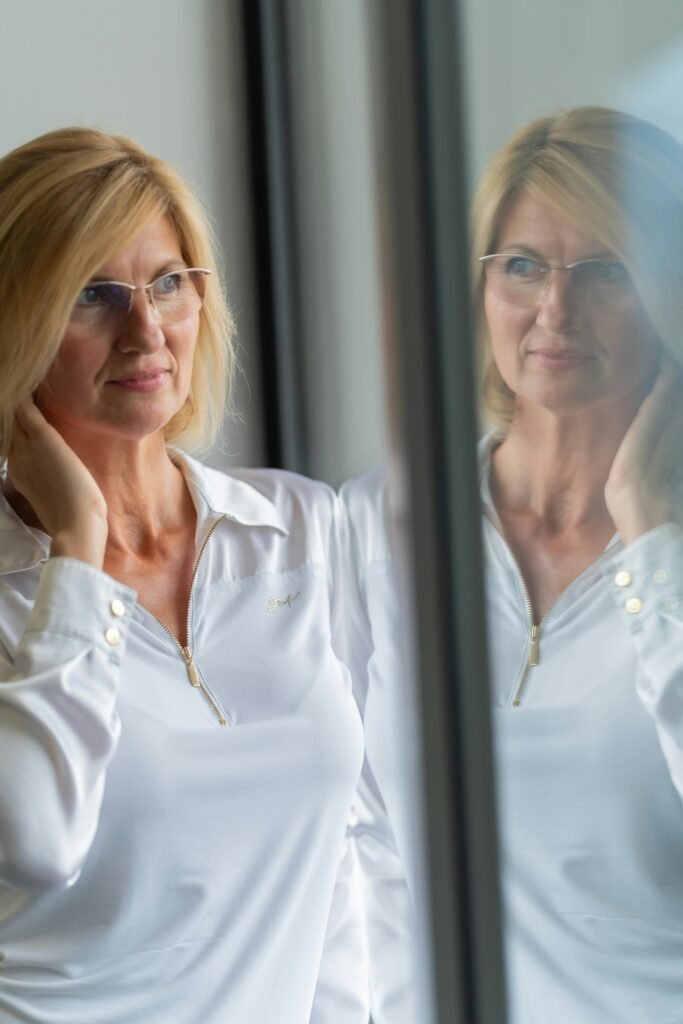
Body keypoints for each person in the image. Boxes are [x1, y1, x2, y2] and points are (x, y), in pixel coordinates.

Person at [0, 127, 369, 1024]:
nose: (147, 330)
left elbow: (346, 856)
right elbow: (35, 842)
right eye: (93, 296)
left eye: (169, 283)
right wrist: (78, 543)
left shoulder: (300, 531)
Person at [345, 105, 683, 1023]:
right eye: (523, 266)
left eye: (606, 271)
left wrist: (651, 538)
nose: (555, 311)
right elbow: (362, 852)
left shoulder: (671, 549)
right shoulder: (377, 524)